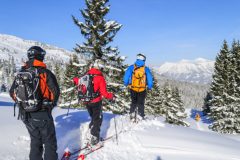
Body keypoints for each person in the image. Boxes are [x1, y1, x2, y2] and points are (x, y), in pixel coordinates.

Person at [9, 46, 60, 160]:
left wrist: (23, 104)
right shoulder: (44, 73)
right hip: (42, 112)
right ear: (41, 56)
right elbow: (55, 93)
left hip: (25, 114)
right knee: (49, 142)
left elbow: (12, 92)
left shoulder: (22, 73)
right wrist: (49, 105)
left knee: (35, 141)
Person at [73, 59, 114, 145]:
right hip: (96, 102)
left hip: (87, 101)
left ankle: (91, 130)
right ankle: (95, 137)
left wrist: (75, 80)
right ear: (100, 67)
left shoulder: (87, 74)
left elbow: (77, 80)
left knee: (93, 117)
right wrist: (111, 96)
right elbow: (104, 93)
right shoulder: (100, 78)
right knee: (98, 118)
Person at [123, 53, 153, 120]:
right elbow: (150, 79)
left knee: (133, 102)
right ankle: (141, 115)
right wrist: (150, 86)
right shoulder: (146, 69)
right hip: (142, 89)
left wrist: (126, 83)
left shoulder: (131, 67)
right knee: (141, 103)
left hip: (133, 88)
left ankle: (132, 114)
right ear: (144, 60)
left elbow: (126, 77)